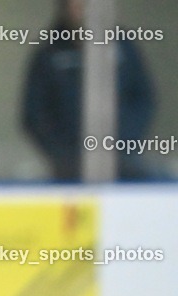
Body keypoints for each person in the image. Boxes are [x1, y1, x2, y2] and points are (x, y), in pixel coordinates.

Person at [22, 0, 156, 180]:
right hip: (69, 168)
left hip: (123, 163)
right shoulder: (49, 51)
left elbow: (143, 98)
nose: (83, 11)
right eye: (76, 6)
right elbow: (34, 112)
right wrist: (62, 154)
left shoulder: (123, 45)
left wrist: (127, 142)